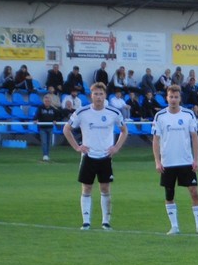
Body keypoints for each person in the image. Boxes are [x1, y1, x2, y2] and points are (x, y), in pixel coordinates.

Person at [62, 82, 128, 230]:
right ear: (91, 96)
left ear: (105, 96)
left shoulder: (114, 112)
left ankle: (106, 222)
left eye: (101, 94)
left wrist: (116, 147)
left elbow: (124, 130)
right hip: (88, 156)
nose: (98, 97)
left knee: (105, 188)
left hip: (105, 157)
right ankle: (86, 222)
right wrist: (77, 147)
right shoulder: (81, 112)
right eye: (96, 94)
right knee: (86, 188)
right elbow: (66, 129)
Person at [152, 85, 198, 235]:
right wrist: (157, 161)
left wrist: (196, 159)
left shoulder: (188, 115)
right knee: (169, 194)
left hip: (186, 162)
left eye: (176, 97)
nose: (173, 100)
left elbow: (195, 138)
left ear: (180, 98)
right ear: (167, 98)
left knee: (194, 192)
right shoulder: (160, 116)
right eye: (171, 97)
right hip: (168, 162)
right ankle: (174, 226)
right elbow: (155, 140)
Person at [35, 92, 65, 161]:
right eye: (46, 101)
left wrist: (55, 120)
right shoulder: (40, 108)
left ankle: (47, 155)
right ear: (43, 101)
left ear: (50, 102)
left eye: (48, 101)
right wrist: (35, 120)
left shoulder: (53, 109)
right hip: (42, 128)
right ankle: (45, 155)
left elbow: (58, 116)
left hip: (50, 127)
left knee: (48, 142)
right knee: (44, 142)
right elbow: (36, 115)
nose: (47, 102)